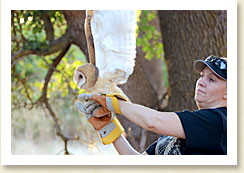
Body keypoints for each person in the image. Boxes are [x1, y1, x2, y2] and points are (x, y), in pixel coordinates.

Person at [76, 55, 227, 155]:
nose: (201, 82)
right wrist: (108, 128)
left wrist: (114, 102)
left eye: (211, 79)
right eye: (202, 76)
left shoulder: (220, 122)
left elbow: (153, 122)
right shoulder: (179, 129)